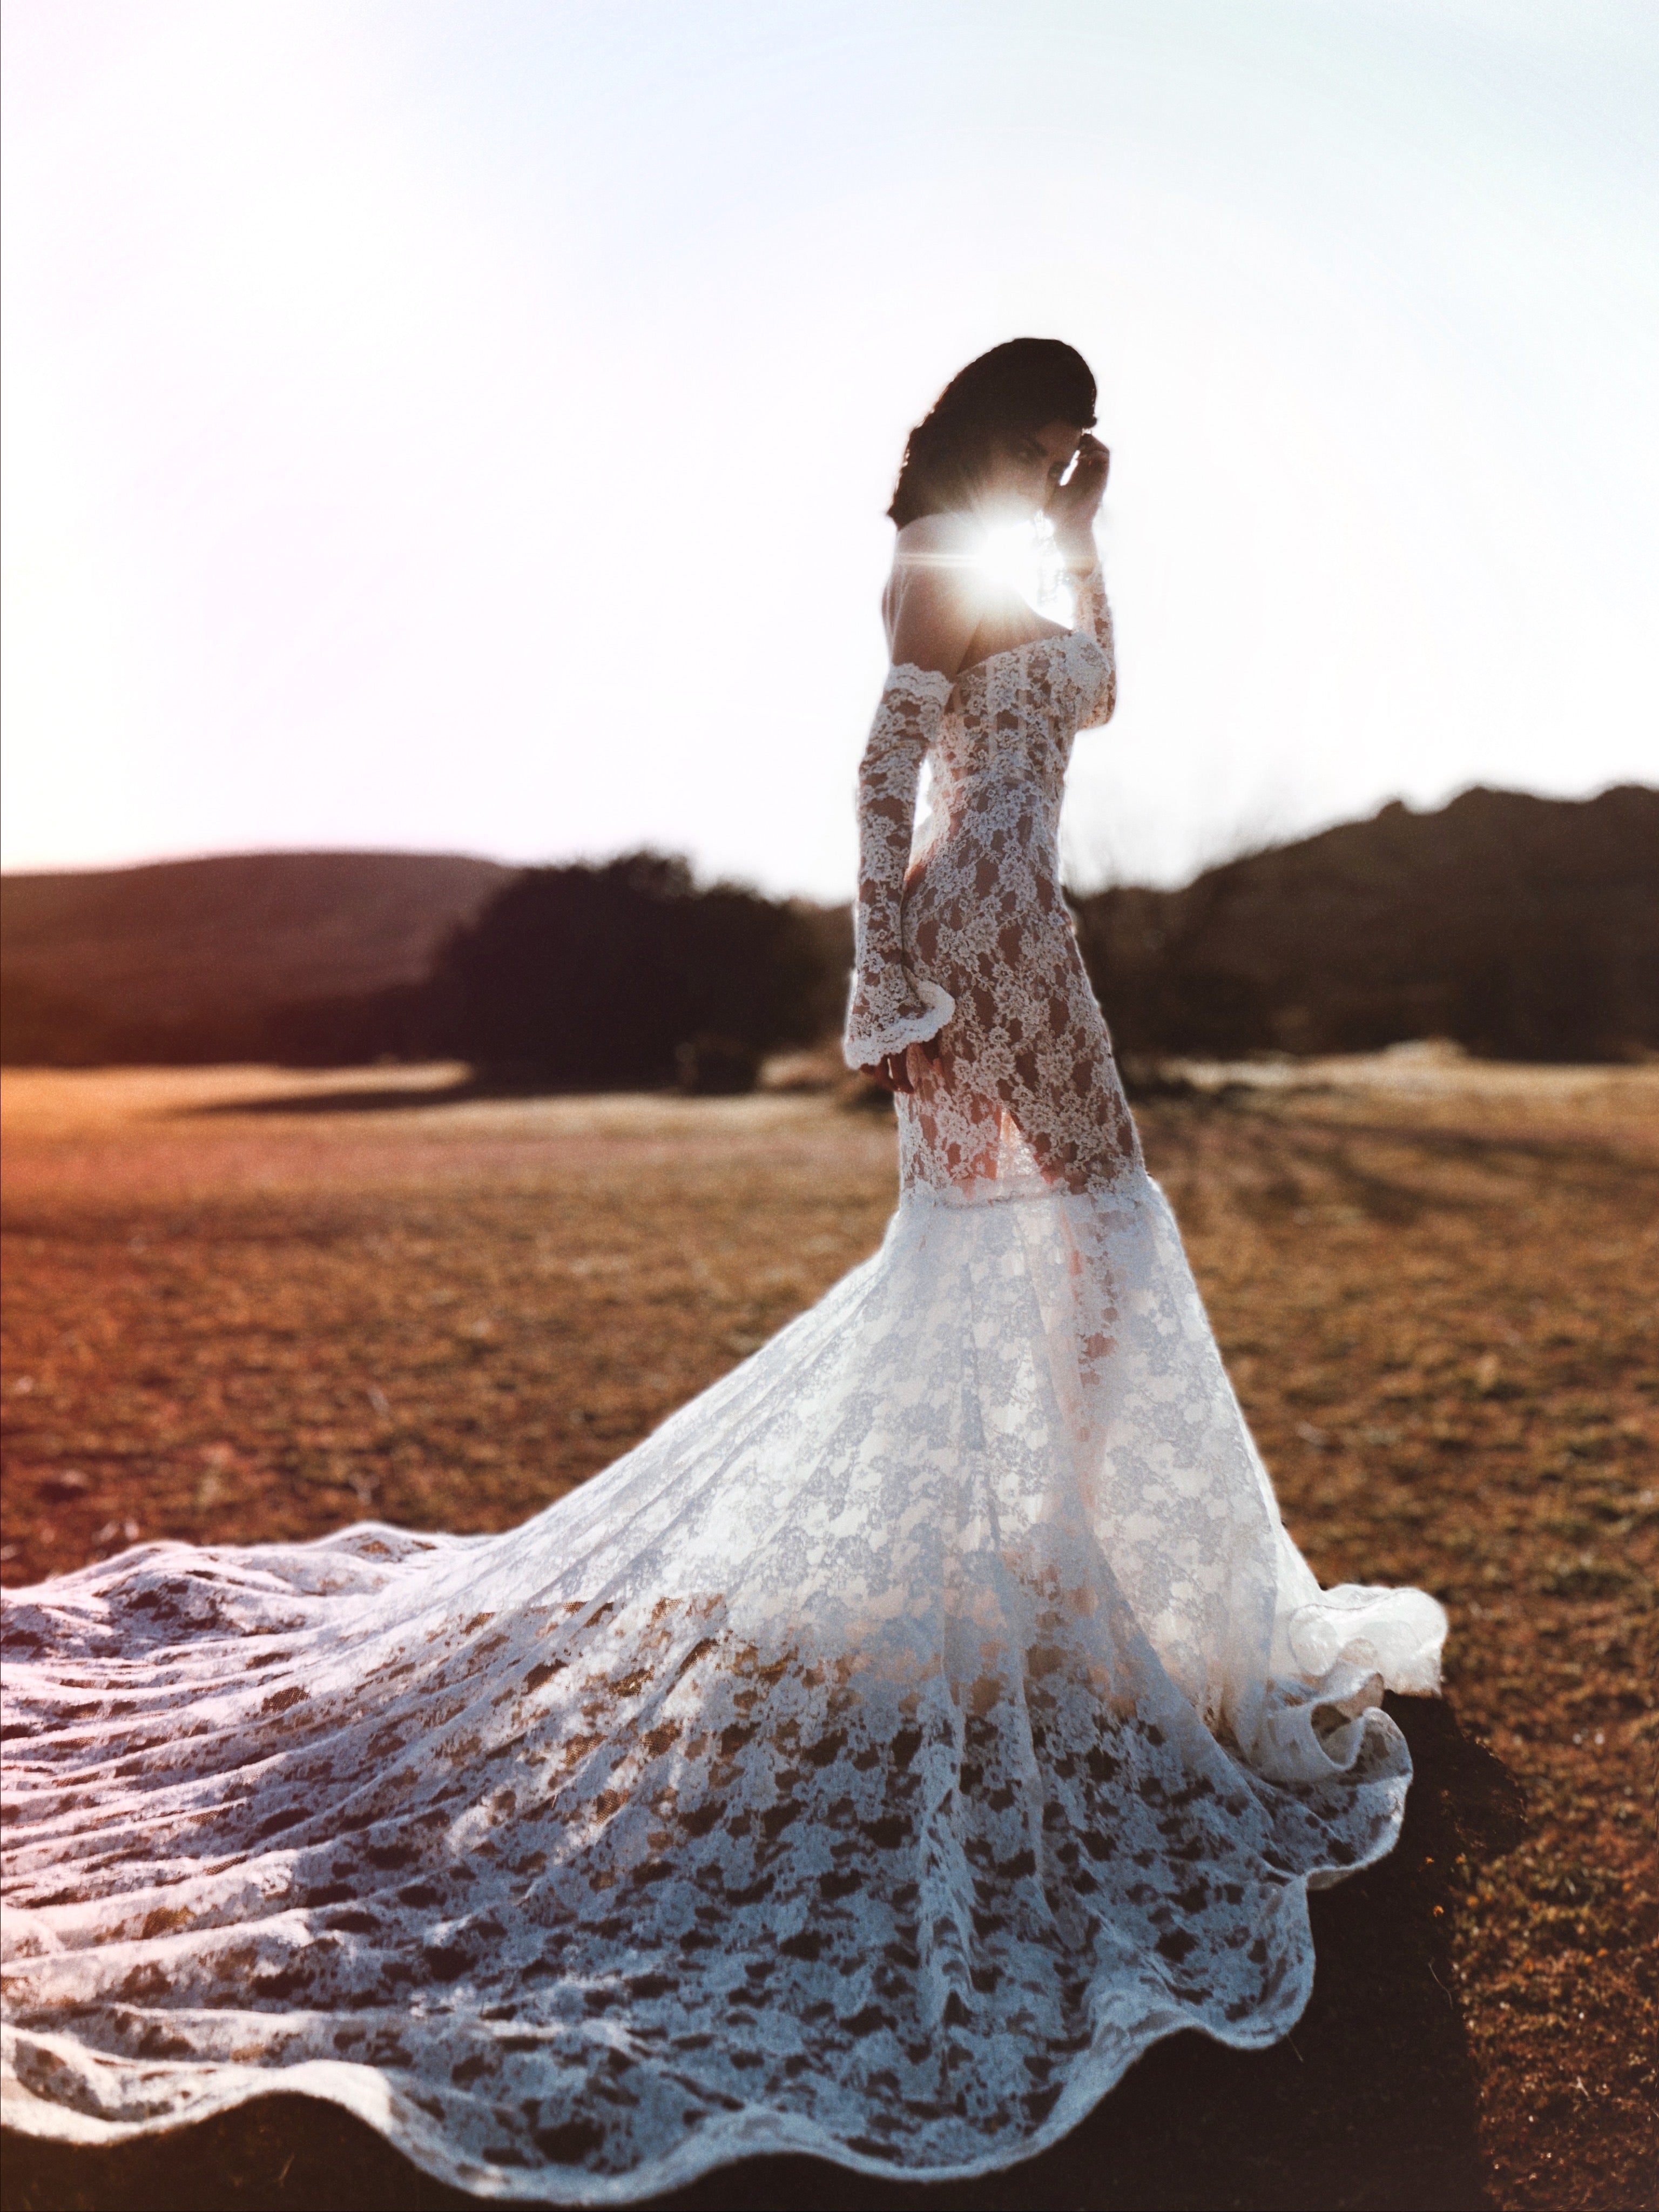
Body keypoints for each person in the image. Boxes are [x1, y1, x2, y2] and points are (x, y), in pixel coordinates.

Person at [0, 339, 1446, 2202]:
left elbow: (1098, 709)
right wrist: (892, 986)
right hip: (977, 939)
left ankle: (1073, 1582)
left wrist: (1091, 543)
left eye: (1079, 435)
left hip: (1035, 920)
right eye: (1046, 426)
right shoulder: (933, 553)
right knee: (1087, 1240)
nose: (1063, 453)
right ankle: (1081, 1595)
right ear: (990, 425)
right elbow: (879, 778)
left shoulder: (1026, 555)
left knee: (1079, 1252)